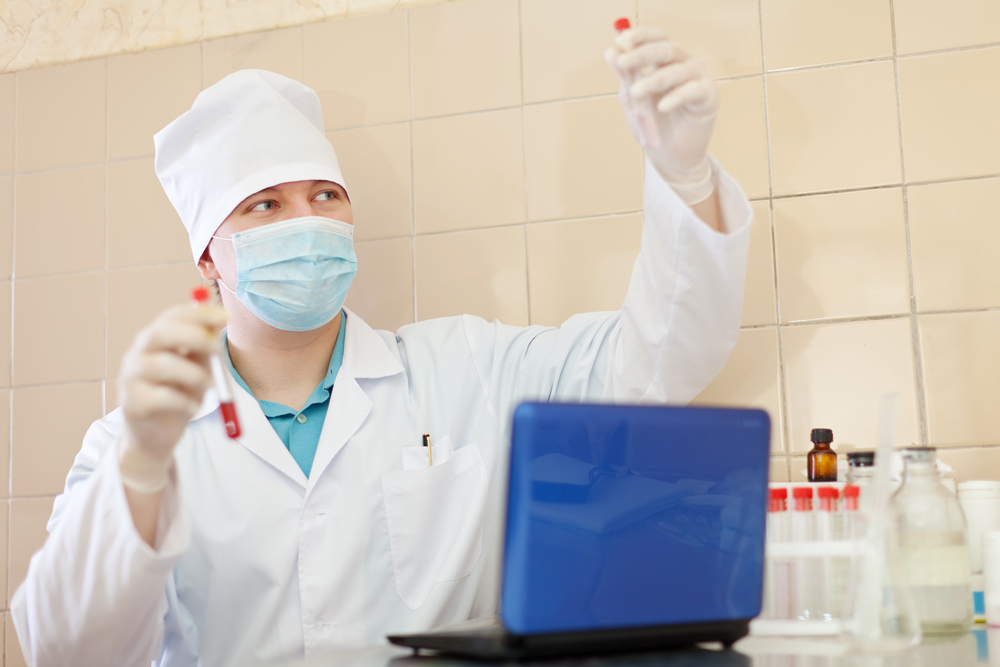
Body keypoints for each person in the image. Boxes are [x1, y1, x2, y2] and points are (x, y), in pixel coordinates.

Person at [11, 26, 752, 667]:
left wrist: (682, 175)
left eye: (324, 195)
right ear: (209, 256)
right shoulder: (133, 444)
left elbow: (654, 363)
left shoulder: (465, 367)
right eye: (265, 204)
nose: (308, 220)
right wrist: (139, 471)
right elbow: (66, 652)